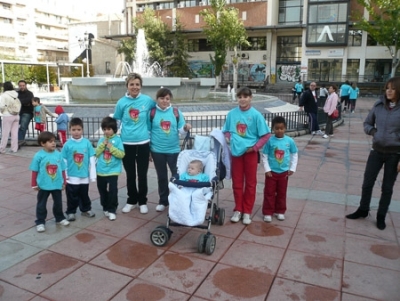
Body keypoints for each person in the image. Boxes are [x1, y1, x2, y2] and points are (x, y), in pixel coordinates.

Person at [346, 77, 400, 230]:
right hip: (376, 151)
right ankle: (363, 210)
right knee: (367, 182)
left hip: (394, 154)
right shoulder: (379, 105)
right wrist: (374, 132)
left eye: (393, 88)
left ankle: (381, 216)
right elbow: (367, 123)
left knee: (387, 187)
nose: (389, 91)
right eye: (387, 88)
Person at [223, 87, 271, 225]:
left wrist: (255, 148)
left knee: (250, 183)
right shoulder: (232, 114)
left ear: (251, 98)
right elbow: (226, 130)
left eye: (245, 96)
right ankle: (238, 209)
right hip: (236, 153)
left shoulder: (256, 115)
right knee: (237, 182)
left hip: (250, 153)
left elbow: (266, 135)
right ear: (237, 98)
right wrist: (230, 138)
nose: (242, 99)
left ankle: (247, 211)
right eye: (240, 97)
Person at [113, 73, 156, 214]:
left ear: (141, 86)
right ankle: (131, 200)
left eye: (137, 84)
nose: (135, 87)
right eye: (132, 84)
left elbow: (158, 110)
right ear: (127, 86)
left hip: (143, 142)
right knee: (130, 174)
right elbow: (117, 121)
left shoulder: (147, 100)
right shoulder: (121, 103)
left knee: (142, 174)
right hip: (127, 142)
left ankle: (142, 201)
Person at [149, 87, 191, 212]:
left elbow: (181, 131)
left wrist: (185, 127)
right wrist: (148, 150)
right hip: (157, 150)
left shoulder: (176, 112)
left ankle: (177, 199)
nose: (164, 101)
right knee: (161, 176)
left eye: (167, 98)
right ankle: (163, 201)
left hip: (173, 150)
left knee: (176, 176)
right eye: (162, 98)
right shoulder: (152, 113)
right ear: (157, 99)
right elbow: (148, 132)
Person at [29, 131, 70, 232]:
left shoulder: (59, 154)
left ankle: (59, 218)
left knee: (58, 203)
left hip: (57, 184)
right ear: (43, 143)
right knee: (41, 204)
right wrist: (33, 184)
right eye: (50, 141)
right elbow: (34, 170)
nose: (53, 143)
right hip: (43, 185)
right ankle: (40, 221)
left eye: (54, 141)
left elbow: (63, 169)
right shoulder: (38, 156)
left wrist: (64, 181)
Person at [262, 116, 298, 222]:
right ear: (273, 129)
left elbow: (294, 154)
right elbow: (265, 155)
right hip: (271, 173)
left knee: (282, 193)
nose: (279, 131)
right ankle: (268, 212)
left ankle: (280, 211)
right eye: (277, 128)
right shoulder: (269, 141)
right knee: (269, 192)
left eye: (281, 128)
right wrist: (267, 170)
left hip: (284, 173)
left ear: (285, 128)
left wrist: (292, 168)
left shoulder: (289, 141)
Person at [61, 117, 96, 221]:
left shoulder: (87, 143)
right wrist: (65, 175)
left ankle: (85, 209)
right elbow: (64, 160)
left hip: (84, 175)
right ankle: (71, 211)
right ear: (70, 130)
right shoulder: (67, 144)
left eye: (78, 130)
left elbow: (92, 159)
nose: (76, 132)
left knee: (84, 194)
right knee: (72, 195)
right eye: (74, 130)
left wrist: (92, 175)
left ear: (82, 130)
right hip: (72, 176)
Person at [95, 117, 125, 221]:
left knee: (113, 190)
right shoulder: (101, 140)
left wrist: (111, 147)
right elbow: (97, 154)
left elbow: (121, 154)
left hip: (113, 171)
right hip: (101, 171)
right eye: (105, 129)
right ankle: (105, 206)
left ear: (114, 129)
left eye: (109, 129)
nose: (106, 131)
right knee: (102, 190)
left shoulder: (117, 140)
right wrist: (102, 146)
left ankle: (112, 209)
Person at [0, 81, 20, 154]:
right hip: (16, 115)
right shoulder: (16, 94)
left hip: (7, 115)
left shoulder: (4, 95)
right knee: (14, 133)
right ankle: (14, 148)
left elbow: (1, 106)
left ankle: (2, 149)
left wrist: (2, 111)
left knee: (5, 133)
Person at [17, 80, 34, 146]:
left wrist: (19, 102)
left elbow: (28, 101)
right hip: (17, 113)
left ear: (26, 85)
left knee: (23, 127)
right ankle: (19, 140)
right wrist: (24, 103)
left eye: (23, 85)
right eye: (20, 86)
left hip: (27, 112)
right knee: (16, 127)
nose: (22, 87)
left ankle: (19, 141)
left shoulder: (30, 93)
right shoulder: (16, 93)